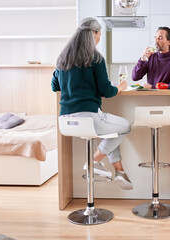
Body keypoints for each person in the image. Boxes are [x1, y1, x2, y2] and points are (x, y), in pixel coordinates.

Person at [51, 17, 133, 190]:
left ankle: (120, 171)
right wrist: (120, 87)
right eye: (99, 34)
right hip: (89, 117)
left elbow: (54, 86)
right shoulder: (96, 58)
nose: (99, 38)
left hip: (65, 121)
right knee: (125, 126)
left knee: (109, 135)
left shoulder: (62, 58)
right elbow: (106, 91)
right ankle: (92, 162)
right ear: (93, 34)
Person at [132, 26, 170, 91]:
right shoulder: (150, 57)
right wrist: (142, 59)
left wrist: (152, 87)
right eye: (155, 38)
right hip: (150, 99)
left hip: (168, 100)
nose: (156, 41)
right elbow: (135, 77)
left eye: (160, 38)